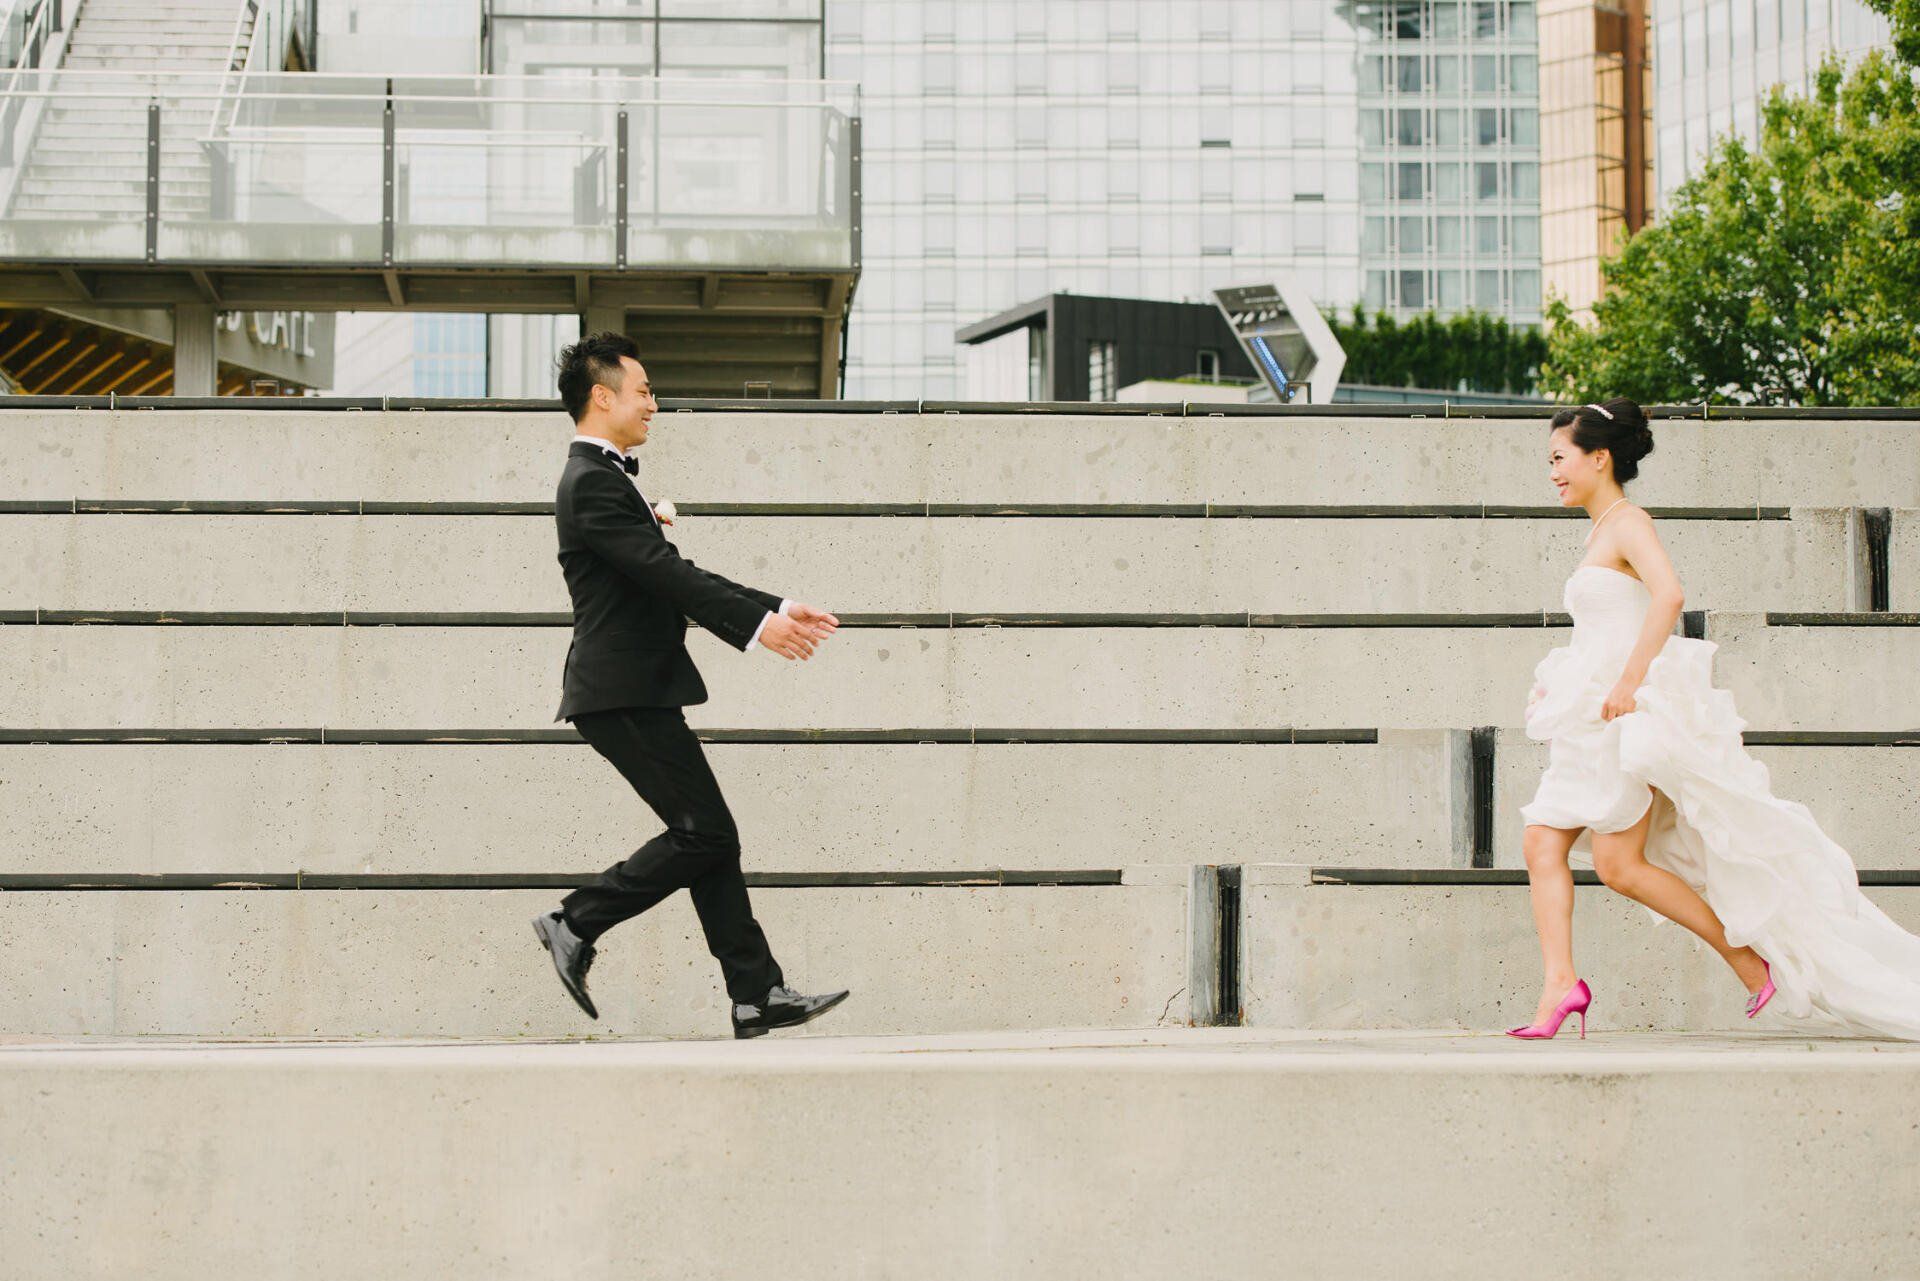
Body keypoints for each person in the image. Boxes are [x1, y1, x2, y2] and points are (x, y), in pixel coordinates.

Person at [1510, 397, 1920, 1041]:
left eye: (1559, 459)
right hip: (1590, 721)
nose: (1553, 472)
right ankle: (1564, 982)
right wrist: (1555, 688)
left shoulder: (1627, 521)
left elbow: (1669, 594)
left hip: (1625, 717)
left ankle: (1747, 962)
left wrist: (1627, 684)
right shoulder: (1599, 531)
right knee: (1552, 844)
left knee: (1616, 864)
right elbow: (1603, 628)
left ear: (1599, 457)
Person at [530, 331, 849, 1039]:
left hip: (636, 690)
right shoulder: (589, 482)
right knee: (706, 833)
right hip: (621, 693)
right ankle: (574, 919)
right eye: (643, 390)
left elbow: (671, 569)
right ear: (603, 395)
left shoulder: (607, 480)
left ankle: (755, 994)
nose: (653, 402)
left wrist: (774, 605)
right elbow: (669, 574)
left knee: (710, 836)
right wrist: (759, 626)